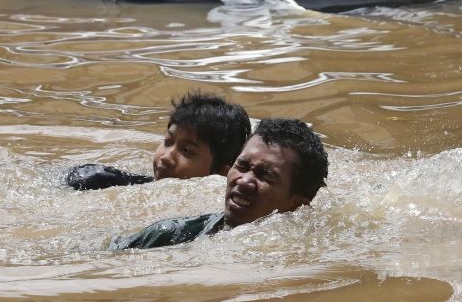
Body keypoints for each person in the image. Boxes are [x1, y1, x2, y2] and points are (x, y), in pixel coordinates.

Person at [109, 117, 329, 250]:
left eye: (266, 176)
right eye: (242, 166)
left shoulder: (303, 255)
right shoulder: (170, 234)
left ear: (297, 205)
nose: (244, 181)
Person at [66, 91, 251, 190]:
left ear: (221, 174)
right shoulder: (119, 183)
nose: (166, 157)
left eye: (187, 151)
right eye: (168, 142)